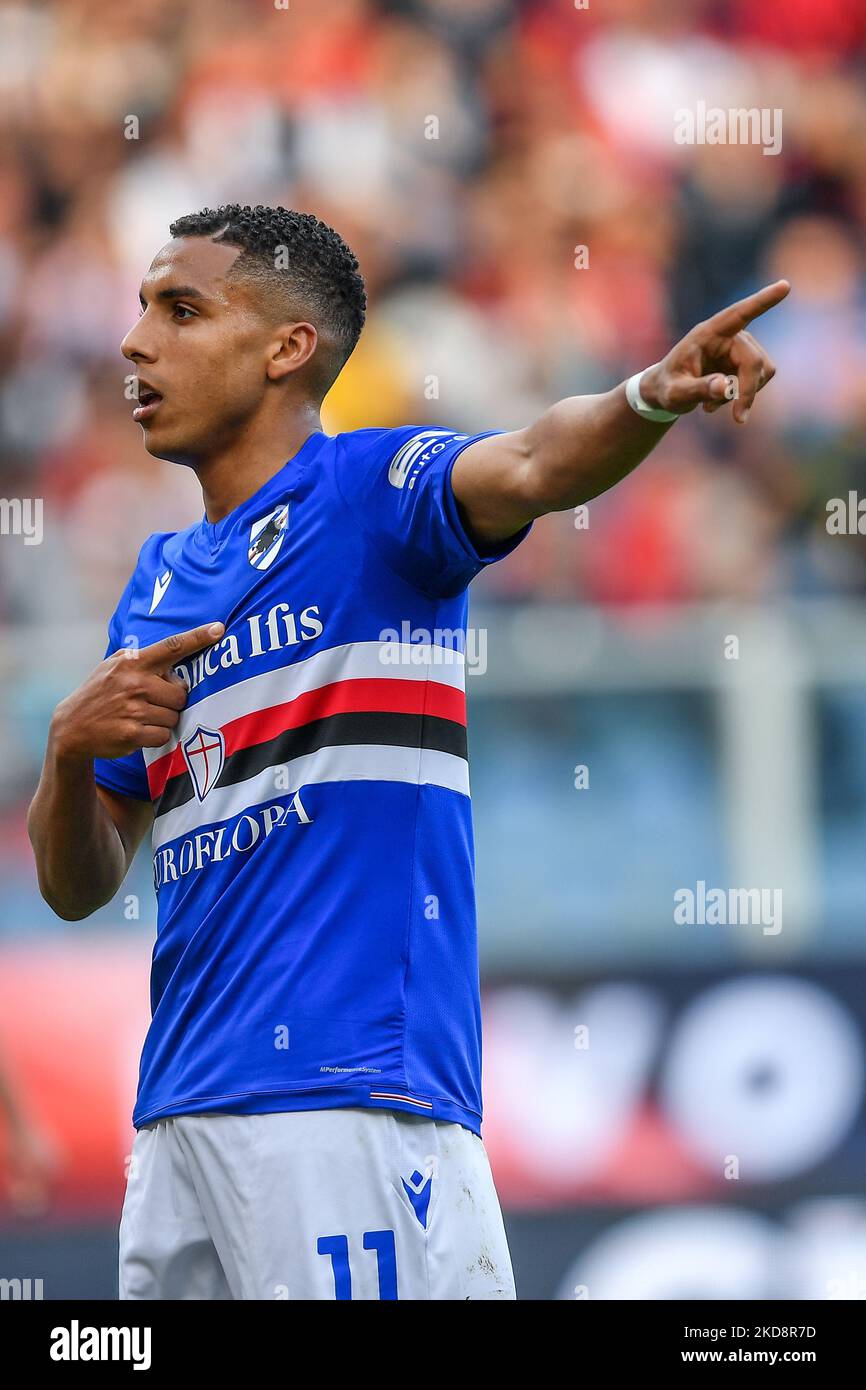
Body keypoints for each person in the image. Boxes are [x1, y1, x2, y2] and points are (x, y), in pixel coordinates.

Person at [27, 204, 787, 1300]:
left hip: (345, 1102)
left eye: (180, 309)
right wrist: (65, 754)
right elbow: (76, 884)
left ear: (288, 348)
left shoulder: (372, 500)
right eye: (142, 307)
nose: (135, 341)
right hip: (178, 1114)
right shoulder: (151, 586)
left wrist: (644, 396)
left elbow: (530, 461)